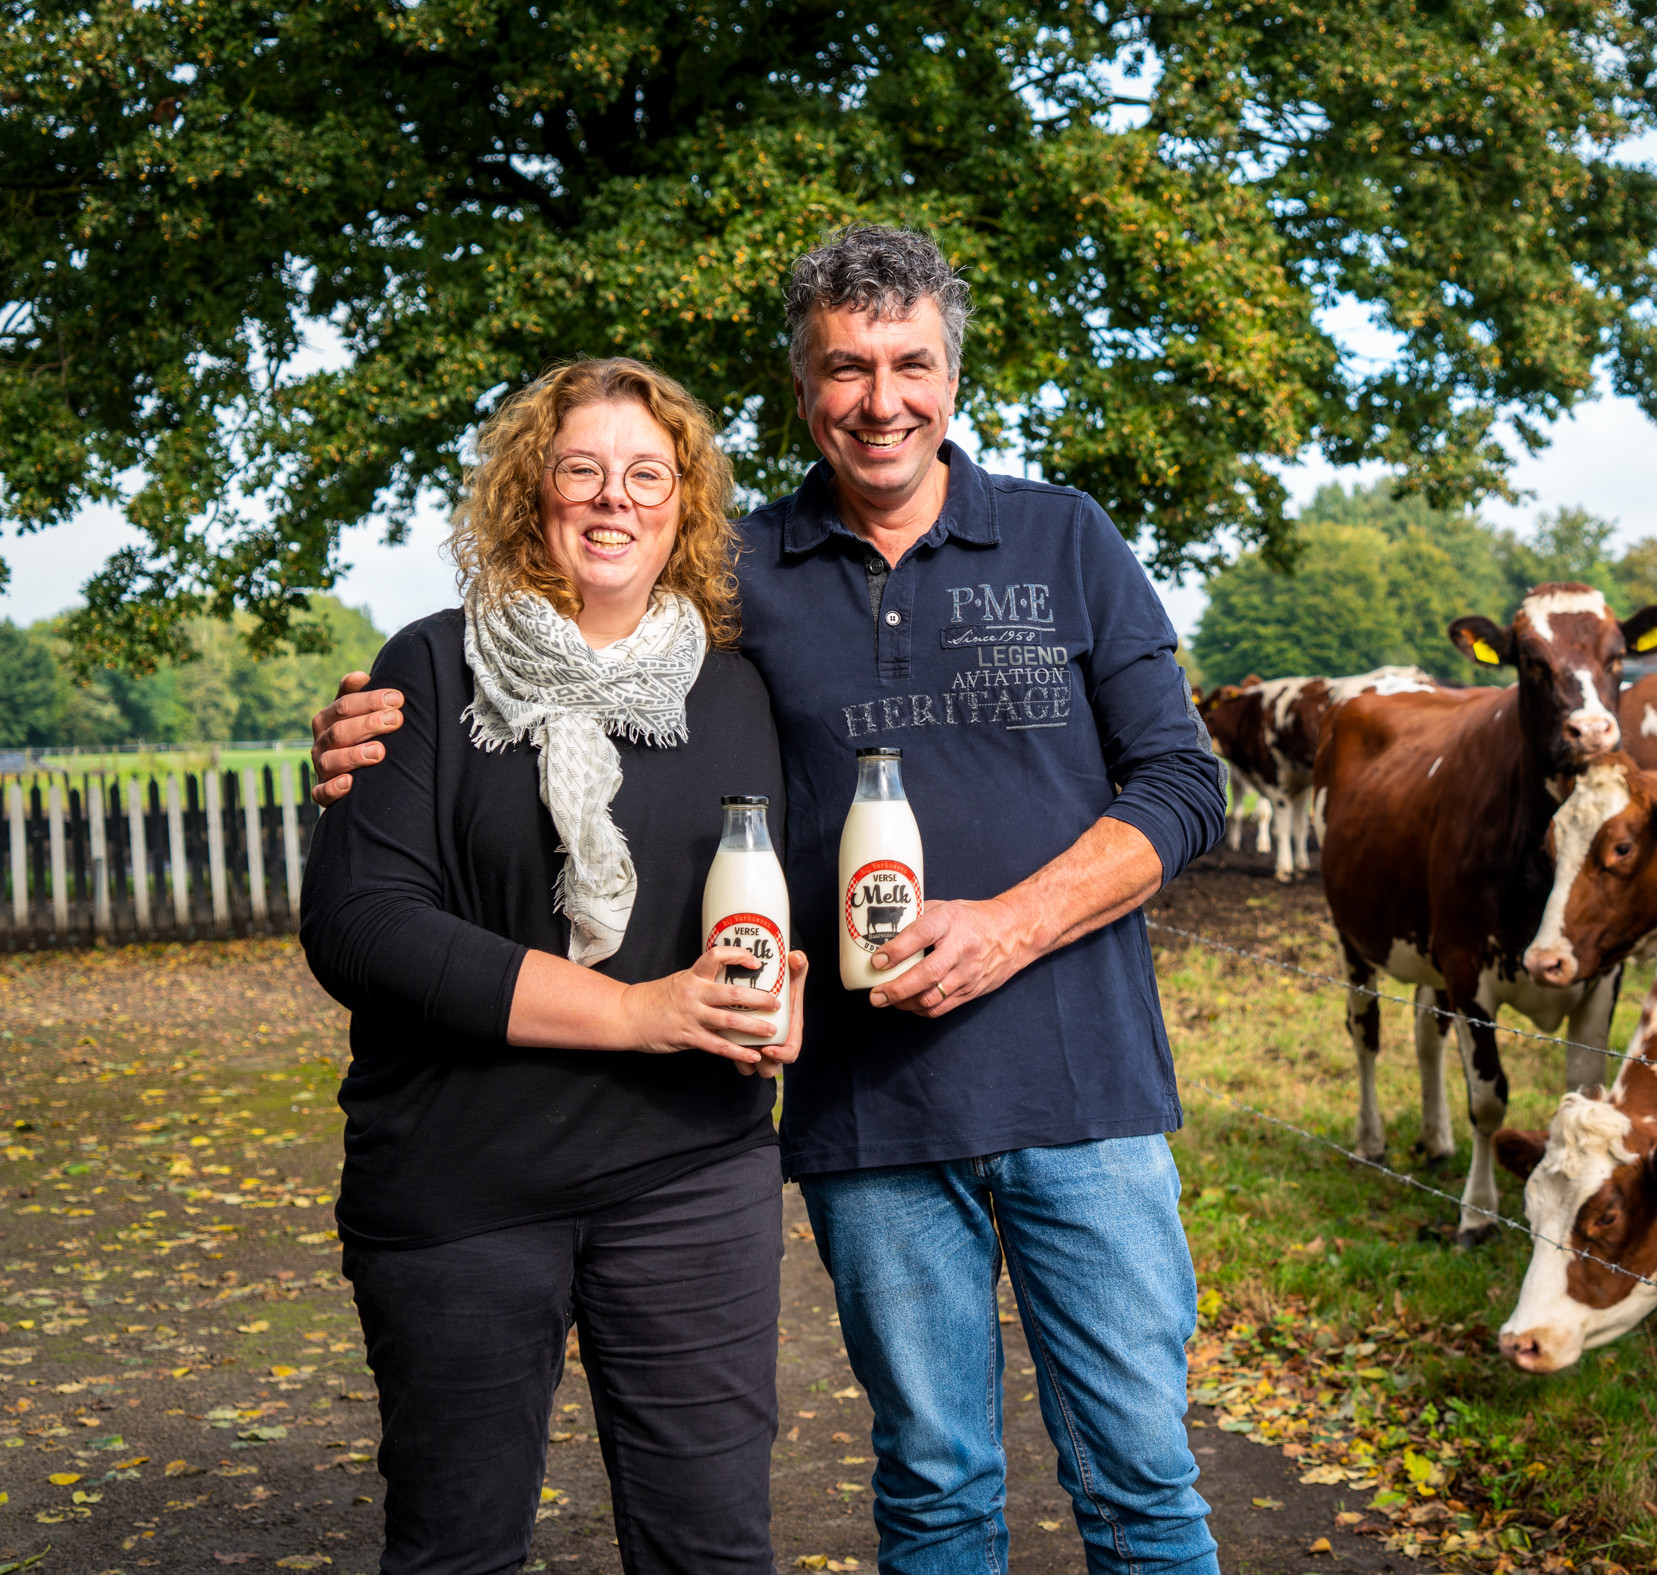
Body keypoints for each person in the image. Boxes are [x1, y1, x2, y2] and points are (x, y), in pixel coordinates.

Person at [314, 227, 1230, 1575]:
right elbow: (564, 649)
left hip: (1080, 1090)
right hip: (875, 1112)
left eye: (908, 362)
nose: (880, 398)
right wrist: (360, 730)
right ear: (801, 387)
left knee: (1144, 1480)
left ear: (951, 372)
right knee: (932, 1485)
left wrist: (1010, 923)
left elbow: (1181, 783)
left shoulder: (1064, 535)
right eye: (843, 367)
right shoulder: (738, 579)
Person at [300, 357, 810, 1574]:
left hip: (692, 1177)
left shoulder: (738, 691)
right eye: (579, 469)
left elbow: (772, 894)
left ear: (686, 505)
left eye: (647, 474)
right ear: (531, 492)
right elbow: (363, 924)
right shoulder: (428, 670)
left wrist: (790, 999)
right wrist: (635, 1013)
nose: (612, 499)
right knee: (457, 1550)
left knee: (713, 1552)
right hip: (458, 1184)